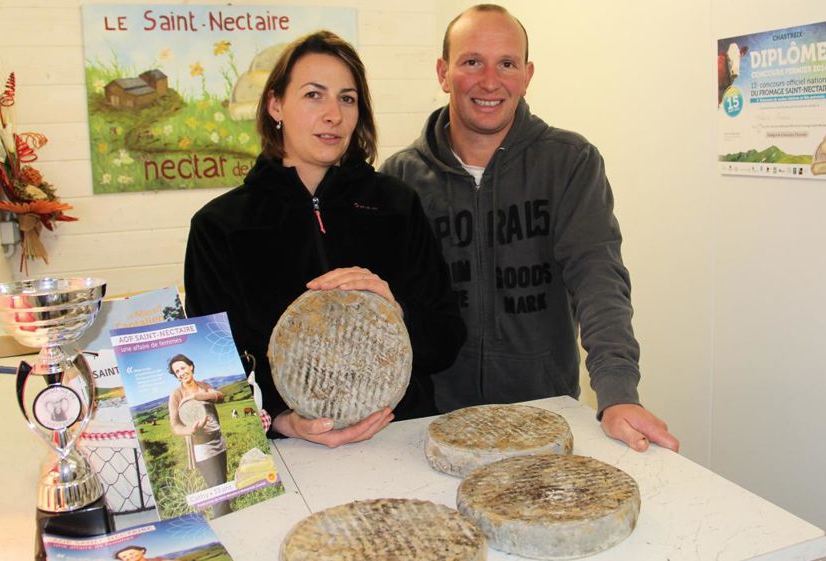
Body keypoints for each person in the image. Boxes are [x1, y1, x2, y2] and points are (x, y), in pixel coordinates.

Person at [380, 4, 679, 453]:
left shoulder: (569, 162)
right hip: (426, 420)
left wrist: (617, 394)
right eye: (471, 62)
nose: (489, 81)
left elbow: (597, 278)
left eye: (506, 63)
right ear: (444, 73)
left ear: (527, 74)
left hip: (544, 416)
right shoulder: (399, 178)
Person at [184, 31, 464, 448]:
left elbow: (445, 339)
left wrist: (396, 309)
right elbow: (215, 370)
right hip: (287, 451)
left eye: (347, 98)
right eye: (314, 95)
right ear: (275, 104)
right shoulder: (220, 227)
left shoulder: (397, 205)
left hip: (398, 438)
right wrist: (281, 420)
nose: (333, 114)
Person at [166, 354, 232, 518]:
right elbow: (175, 427)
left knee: (222, 484)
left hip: (219, 440)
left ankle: (228, 515)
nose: (181, 373)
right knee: (217, 489)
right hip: (202, 447)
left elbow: (220, 397)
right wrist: (190, 430)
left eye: (182, 368)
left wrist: (197, 396)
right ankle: (222, 520)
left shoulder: (203, 386)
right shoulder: (176, 395)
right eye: (177, 371)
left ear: (191, 367)